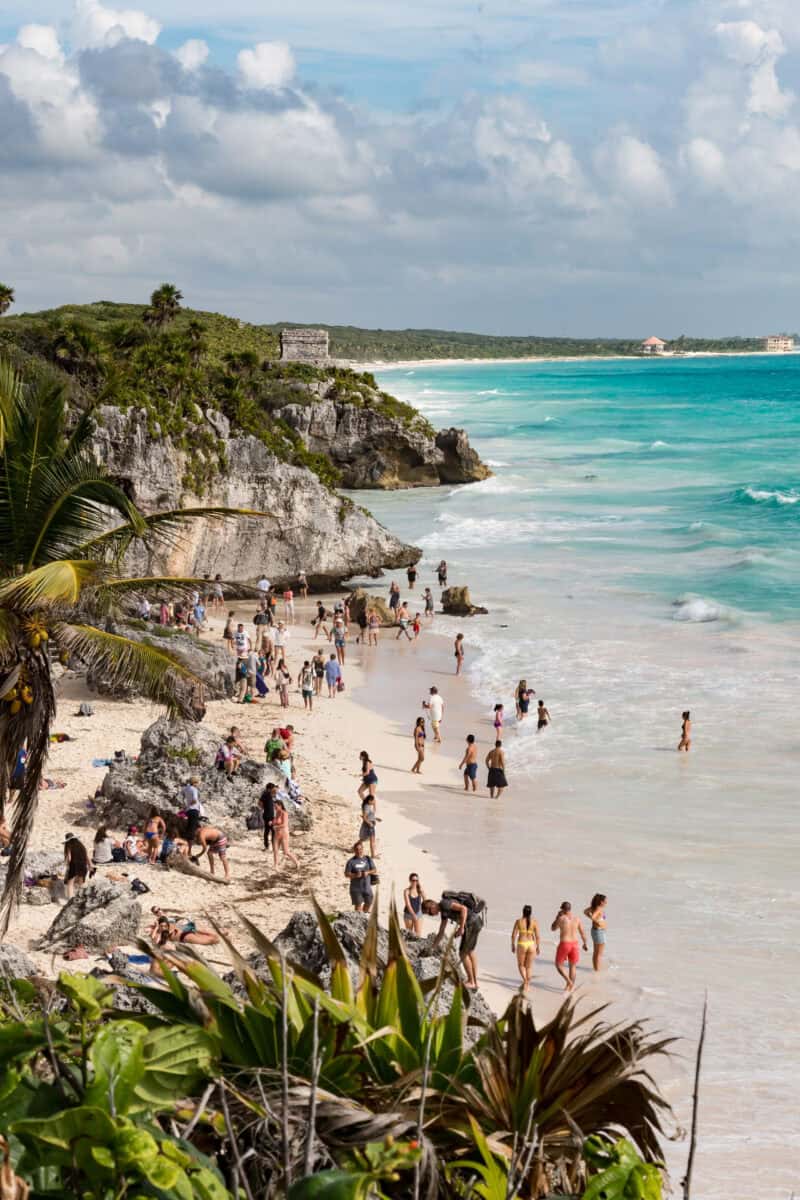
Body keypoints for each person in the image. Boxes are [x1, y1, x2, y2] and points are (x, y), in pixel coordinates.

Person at [423, 892, 483, 989]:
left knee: (463, 953)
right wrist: (432, 948)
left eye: (429, 913)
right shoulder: (443, 912)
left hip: (471, 923)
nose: (431, 915)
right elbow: (441, 932)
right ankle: (474, 981)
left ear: (432, 906)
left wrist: (461, 928)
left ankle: (471, 982)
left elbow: (463, 909)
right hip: (475, 922)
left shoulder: (444, 904)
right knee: (470, 951)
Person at [551, 901, 589, 992]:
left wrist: (557, 917)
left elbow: (553, 928)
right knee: (573, 966)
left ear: (562, 909)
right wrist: (585, 943)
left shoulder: (561, 918)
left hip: (565, 944)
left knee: (558, 965)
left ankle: (569, 982)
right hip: (575, 944)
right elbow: (582, 932)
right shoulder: (577, 919)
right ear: (570, 908)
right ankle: (570, 988)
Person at [511, 904, 540, 992]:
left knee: (521, 965)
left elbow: (513, 935)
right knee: (529, 967)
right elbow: (538, 936)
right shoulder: (534, 922)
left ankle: (525, 982)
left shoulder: (518, 921)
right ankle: (527, 985)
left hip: (522, 944)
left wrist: (512, 945)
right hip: (531, 944)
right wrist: (538, 947)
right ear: (531, 913)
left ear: (523, 912)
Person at [344, 840, 376, 912]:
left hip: (367, 887)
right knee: (358, 906)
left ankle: (363, 915)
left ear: (362, 849)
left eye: (360, 849)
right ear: (354, 850)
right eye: (357, 849)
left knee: (369, 903)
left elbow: (374, 870)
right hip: (356, 889)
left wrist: (368, 872)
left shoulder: (368, 859)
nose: (359, 851)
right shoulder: (351, 861)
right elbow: (346, 874)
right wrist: (355, 875)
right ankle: (359, 919)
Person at [271, 799, 299, 869]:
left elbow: (285, 824)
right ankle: (275, 866)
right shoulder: (277, 813)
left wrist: (276, 826)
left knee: (286, 852)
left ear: (280, 806)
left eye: (276, 806)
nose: (275, 808)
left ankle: (296, 862)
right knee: (275, 850)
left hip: (284, 834)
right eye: (274, 806)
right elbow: (275, 821)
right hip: (277, 834)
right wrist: (272, 822)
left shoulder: (284, 813)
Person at [584, 894, 608, 971]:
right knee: (599, 953)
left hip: (597, 931)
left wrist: (597, 921)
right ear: (601, 902)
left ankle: (596, 969)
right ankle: (597, 970)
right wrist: (598, 922)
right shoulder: (598, 909)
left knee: (596, 952)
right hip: (599, 932)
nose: (606, 902)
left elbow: (585, 912)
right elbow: (593, 917)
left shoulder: (595, 907)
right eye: (605, 901)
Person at [182, 776, 204, 844]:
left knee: (189, 825)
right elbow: (194, 800)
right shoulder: (194, 789)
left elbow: (181, 795)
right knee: (192, 827)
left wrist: (186, 805)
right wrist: (190, 804)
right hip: (194, 809)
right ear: (194, 783)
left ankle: (187, 839)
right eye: (197, 783)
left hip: (188, 810)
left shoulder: (186, 788)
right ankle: (190, 841)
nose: (198, 784)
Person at [260, 781, 277, 853]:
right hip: (268, 816)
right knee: (271, 831)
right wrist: (264, 808)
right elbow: (259, 803)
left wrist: (264, 808)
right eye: (273, 788)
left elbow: (260, 803)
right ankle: (271, 847)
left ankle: (268, 846)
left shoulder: (269, 794)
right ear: (269, 789)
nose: (274, 789)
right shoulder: (266, 794)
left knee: (268, 831)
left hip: (269, 815)